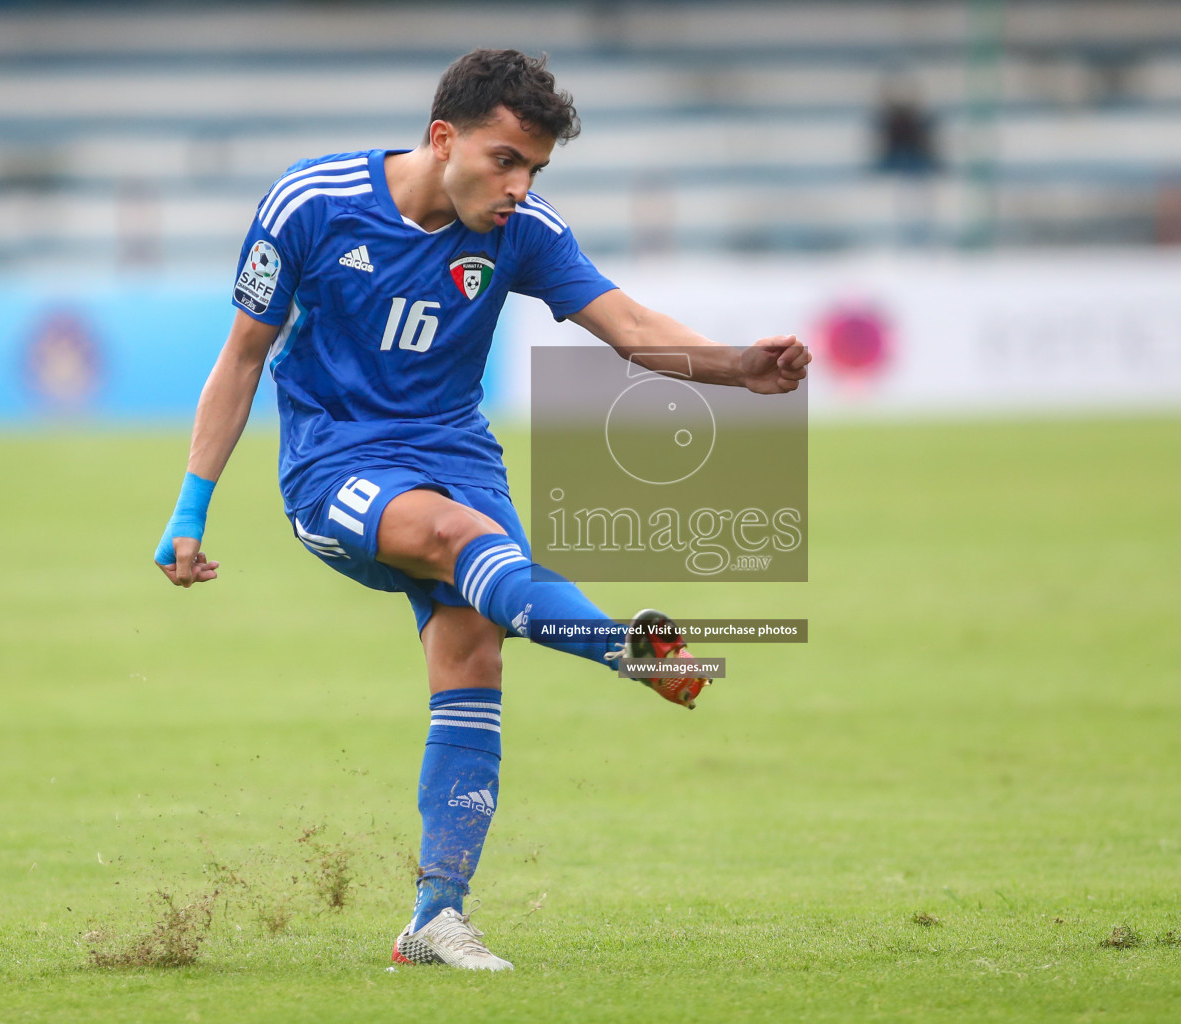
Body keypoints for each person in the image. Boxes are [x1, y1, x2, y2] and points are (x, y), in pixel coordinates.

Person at [151, 49, 810, 972]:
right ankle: (628, 648)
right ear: (442, 137)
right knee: (463, 539)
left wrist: (739, 366)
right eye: (506, 160)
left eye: (535, 168)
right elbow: (243, 357)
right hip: (335, 461)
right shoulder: (309, 203)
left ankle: (435, 918)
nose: (519, 186)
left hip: (456, 453)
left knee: (474, 650)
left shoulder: (522, 230)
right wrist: (191, 511)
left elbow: (629, 327)